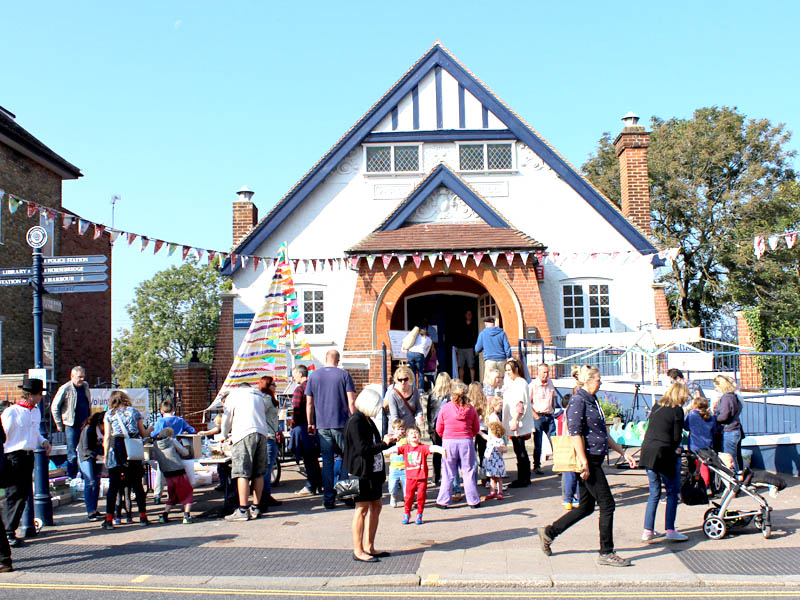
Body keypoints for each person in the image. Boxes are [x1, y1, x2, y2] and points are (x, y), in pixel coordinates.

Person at [538, 366, 638, 568]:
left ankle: (549, 532)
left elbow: (603, 434)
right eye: (598, 379)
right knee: (608, 504)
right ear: (589, 381)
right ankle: (606, 552)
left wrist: (622, 452)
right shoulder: (579, 400)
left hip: (596, 457)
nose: (601, 382)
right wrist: (583, 462)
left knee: (586, 507)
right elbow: (575, 433)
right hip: (589, 460)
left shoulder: (593, 400)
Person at [343, 387, 396, 562]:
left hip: (372, 472)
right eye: (376, 406)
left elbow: (373, 445)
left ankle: (369, 546)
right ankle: (358, 550)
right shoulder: (356, 421)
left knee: (376, 506)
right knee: (361, 509)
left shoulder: (366, 420)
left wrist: (387, 442)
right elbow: (363, 450)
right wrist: (383, 443)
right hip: (361, 472)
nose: (378, 410)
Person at [2, 378, 52, 548]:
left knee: (23, 495)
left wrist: (43, 441)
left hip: (28, 456)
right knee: (14, 494)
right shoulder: (12, 412)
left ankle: (10, 529)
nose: (41, 397)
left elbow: (35, 432)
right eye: (39, 394)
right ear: (31, 395)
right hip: (13, 456)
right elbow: (3, 436)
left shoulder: (35, 412)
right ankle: (8, 532)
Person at [640, 383, 690, 543]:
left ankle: (647, 530)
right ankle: (670, 529)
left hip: (648, 452)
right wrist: (677, 449)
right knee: (672, 491)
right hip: (664, 454)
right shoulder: (677, 410)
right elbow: (676, 437)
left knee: (654, 492)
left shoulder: (657, 406)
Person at [306, 349, 356, 510]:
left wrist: (310, 422)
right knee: (347, 457)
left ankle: (328, 498)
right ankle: (346, 493)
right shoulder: (344, 375)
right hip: (341, 423)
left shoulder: (313, 376)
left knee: (327, 462)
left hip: (322, 425)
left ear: (325, 359)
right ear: (338, 360)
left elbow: (309, 403)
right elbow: (352, 402)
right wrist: (355, 421)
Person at [102, 390, 151, 529]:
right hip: (132, 448)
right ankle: (142, 516)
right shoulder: (134, 412)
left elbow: (107, 436)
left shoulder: (109, 414)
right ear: (125, 399)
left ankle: (109, 519)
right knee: (137, 485)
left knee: (114, 486)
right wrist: (150, 429)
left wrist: (106, 455)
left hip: (117, 449)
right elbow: (143, 433)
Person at [221, 383, 270, 521]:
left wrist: (224, 435)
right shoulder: (259, 396)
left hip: (243, 433)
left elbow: (227, 418)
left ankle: (242, 510)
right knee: (258, 473)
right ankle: (256, 507)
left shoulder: (233, 395)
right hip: (261, 433)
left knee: (242, 472)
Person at [435, 380, 481, 508]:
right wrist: (469, 435)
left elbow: (439, 427)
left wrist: (445, 436)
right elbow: (476, 427)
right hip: (466, 441)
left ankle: (443, 500)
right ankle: (473, 500)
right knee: (468, 471)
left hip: (449, 441)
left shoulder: (445, 408)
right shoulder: (470, 409)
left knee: (448, 472)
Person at [395, 425, 443, 524]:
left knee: (421, 497)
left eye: (416, 432)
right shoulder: (405, 448)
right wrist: (383, 451)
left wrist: (442, 450)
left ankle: (419, 514)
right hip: (410, 478)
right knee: (408, 497)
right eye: (411, 433)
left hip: (422, 478)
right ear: (407, 438)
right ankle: (407, 513)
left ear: (420, 436)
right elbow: (394, 449)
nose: (414, 434)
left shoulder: (423, 448)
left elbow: (433, 448)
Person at [151, 399, 196, 504]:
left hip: (164, 449)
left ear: (162, 411)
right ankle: (173, 494)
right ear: (173, 409)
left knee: (160, 472)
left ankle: (157, 495)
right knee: (176, 473)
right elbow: (192, 430)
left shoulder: (161, 421)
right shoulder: (180, 420)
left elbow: (153, 434)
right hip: (176, 447)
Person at [51, 366, 92, 479]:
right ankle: (72, 477)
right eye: (79, 377)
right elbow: (55, 407)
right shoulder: (65, 388)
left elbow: (88, 403)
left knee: (85, 451)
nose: (82, 379)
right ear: (72, 376)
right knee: (72, 454)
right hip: (71, 425)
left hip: (85, 425)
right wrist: (59, 424)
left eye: (83, 376)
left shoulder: (85, 386)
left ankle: (85, 477)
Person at [290, 365, 322, 496]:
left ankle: (310, 486)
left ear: (300, 374)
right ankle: (319, 484)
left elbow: (296, 409)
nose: (293, 377)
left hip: (304, 427)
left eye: (294, 374)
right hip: (318, 426)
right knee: (314, 458)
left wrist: (292, 425)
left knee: (308, 459)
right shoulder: (316, 388)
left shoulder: (299, 389)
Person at [152, 427, 194, 524]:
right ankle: (186, 515)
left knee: (172, 495)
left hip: (166, 472)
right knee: (187, 493)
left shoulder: (155, 444)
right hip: (178, 470)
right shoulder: (172, 441)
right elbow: (184, 452)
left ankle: (164, 515)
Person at [502, 358, 534, 488]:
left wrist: (515, 419)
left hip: (517, 423)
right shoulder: (515, 382)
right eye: (506, 371)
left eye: (509, 370)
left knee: (520, 450)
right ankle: (524, 477)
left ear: (516, 369)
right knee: (519, 449)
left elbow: (520, 404)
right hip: (514, 422)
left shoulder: (520, 383)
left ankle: (523, 478)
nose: (508, 373)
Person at [256, 375, 282, 510]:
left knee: (267, 467)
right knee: (267, 468)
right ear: (267, 385)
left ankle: (265, 495)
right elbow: (259, 415)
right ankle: (264, 496)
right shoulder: (265, 399)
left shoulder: (265, 398)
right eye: (273, 384)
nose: (275, 387)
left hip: (269, 435)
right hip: (268, 437)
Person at [77, 411, 105, 521]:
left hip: (96, 457)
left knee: (97, 482)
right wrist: (98, 456)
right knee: (90, 482)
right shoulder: (89, 430)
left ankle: (94, 508)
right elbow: (85, 448)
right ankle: (90, 511)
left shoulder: (100, 431)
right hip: (86, 457)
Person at [530, 363, 557, 476]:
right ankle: (536, 466)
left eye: (547, 372)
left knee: (555, 441)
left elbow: (553, 397)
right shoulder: (533, 385)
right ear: (538, 372)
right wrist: (535, 415)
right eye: (544, 372)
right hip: (538, 416)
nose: (546, 375)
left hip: (549, 416)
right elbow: (527, 402)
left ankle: (559, 464)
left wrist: (552, 409)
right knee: (538, 443)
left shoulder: (550, 383)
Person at [712, 375, 744, 472]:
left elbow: (724, 416)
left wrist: (713, 418)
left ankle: (735, 481)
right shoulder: (734, 396)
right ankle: (738, 477)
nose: (715, 389)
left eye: (716, 386)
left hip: (729, 431)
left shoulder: (726, 398)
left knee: (729, 459)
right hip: (735, 430)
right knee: (734, 457)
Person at [684, 396, 717, 488]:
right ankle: (705, 486)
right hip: (707, 446)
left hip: (694, 445)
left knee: (693, 467)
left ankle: (694, 486)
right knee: (704, 467)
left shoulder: (691, 416)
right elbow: (714, 431)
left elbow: (686, 427)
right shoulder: (711, 417)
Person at [427, 373, 451, 486]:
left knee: (437, 453)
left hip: (434, 427)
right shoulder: (450, 397)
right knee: (447, 452)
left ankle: (435, 476)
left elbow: (428, 413)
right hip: (447, 427)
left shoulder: (432, 395)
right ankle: (447, 475)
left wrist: (430, 428)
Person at [556, 394, 579, 510]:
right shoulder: (570, 413)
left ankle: (567, 499)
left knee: (568, 472)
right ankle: (574, 497)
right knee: (575, 471)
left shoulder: (562, 414)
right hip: (572, 443)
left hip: (564, 444)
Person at [383, 419, 407, 508]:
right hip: (394, 468)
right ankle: (393, 496)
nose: (400, 431)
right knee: (392, 487)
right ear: (394, 430)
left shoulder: (407, 440)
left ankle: (407, 500)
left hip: (405, 468)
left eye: (402, 429)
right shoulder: (392, 441)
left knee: (407, 487)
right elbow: (386, 452)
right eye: (398, 429)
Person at [467, 382, 488, 478]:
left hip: (472, 429)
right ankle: (485, 476)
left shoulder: (469, 403)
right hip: (483, 429)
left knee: (472, 453)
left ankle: (473, 475)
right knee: (483, 452)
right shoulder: (485, 401)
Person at [483, 421, 507, 500]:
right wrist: (478, 431)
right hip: (491, 461)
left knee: (498, 478)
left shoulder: (500, 440)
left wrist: (502, 449)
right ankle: (492, 492)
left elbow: (505, 448)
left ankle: (500, 492)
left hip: (497, 462)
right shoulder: (490, 438)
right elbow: (483, 435)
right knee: (492, 478)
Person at [454, 310, 478, 383]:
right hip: (461, 348)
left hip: (470, 348)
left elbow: (477, 337)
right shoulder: (460, 324)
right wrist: (456, 346)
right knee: (461, 366)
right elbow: (457, 335)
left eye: (470, 314)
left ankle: (472, 382)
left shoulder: (475, 324)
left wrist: (476, 348)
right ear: (465, 315)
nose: (469, 315)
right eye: (468, 314)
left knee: (471, 366)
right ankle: (461, 382)